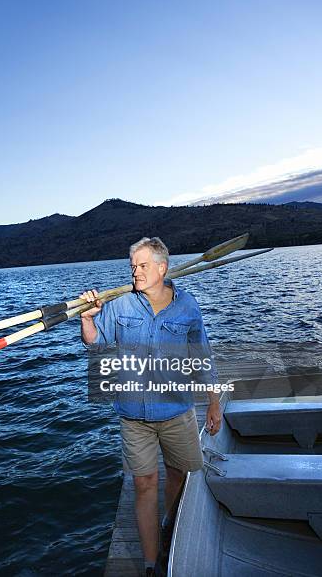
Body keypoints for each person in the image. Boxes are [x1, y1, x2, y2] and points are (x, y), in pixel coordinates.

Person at [80, 237, 222, 577]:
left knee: (180, 474)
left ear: (162, 267)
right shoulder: (120, 304)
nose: (135, 271)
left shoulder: (187, 307)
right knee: (144, 483)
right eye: (132, 266)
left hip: (176, 411)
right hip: (133, 414)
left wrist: (214, 401)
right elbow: (94, 340)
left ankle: (170, 520)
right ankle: (149, 563)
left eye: (143, 265)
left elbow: (202, 357)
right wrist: (88, 318)